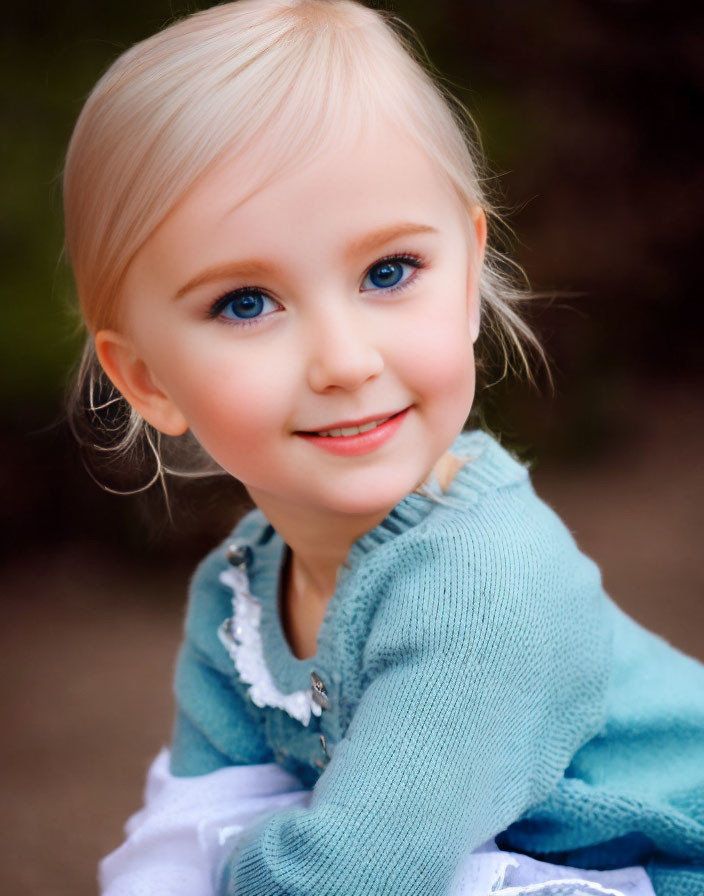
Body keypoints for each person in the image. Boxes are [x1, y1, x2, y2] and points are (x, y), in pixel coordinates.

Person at [62, 1, 704, 894]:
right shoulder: (240, 596)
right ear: (148, 382)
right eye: (246, 302)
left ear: (470, 277)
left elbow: (352, 876)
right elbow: (186, 829)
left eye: (388, 272)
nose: (344, 361)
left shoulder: (482, 589)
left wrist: (235, 863)